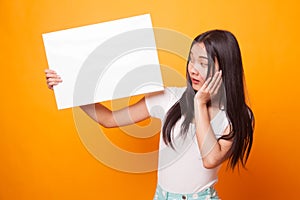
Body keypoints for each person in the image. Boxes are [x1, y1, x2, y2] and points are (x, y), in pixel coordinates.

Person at [45, 29, 254, 200]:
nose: (193, 70)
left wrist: (200, 104)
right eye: (191, 60)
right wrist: (71, 90)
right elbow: (109, 119)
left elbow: (210, 159)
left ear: (225, 68)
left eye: (204, 63)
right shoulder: (169, 96)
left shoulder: (238, 116)